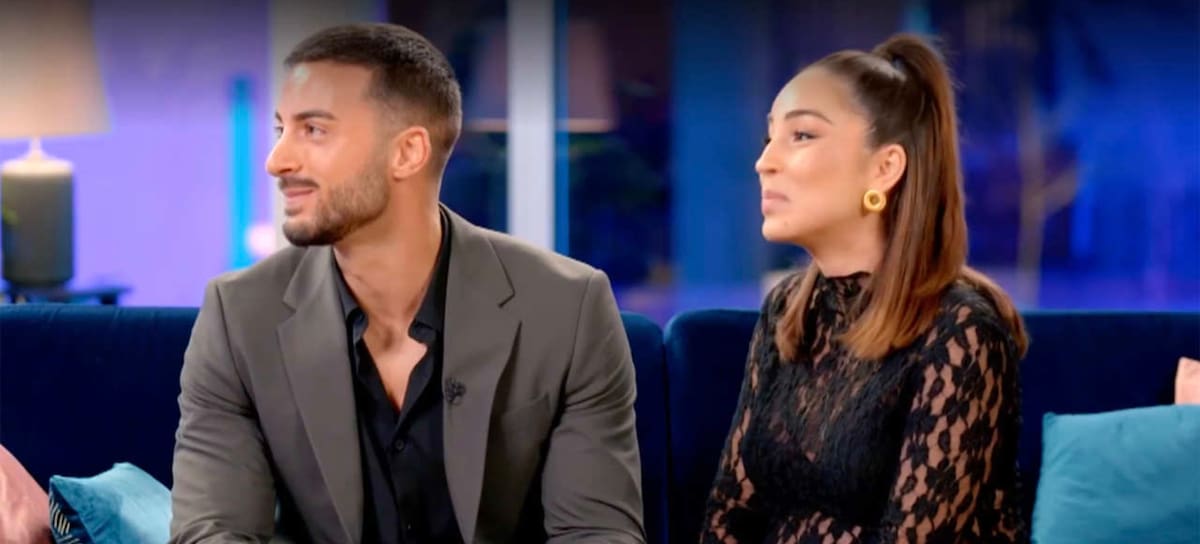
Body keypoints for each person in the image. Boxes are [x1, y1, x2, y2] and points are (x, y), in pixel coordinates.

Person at [170, 23, 644, 544]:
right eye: (282, 129)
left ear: (407, 152)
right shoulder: (238, 316)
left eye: (314, 130)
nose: (277, 160)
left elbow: (595, 534)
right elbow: (213, 531)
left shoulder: (567, 308)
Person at [701, 33, 1029, 543]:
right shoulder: (788, 309)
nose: (765, 161)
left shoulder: (962, 331)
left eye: (801, 135)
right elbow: (731, 510)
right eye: (770, 137)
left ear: (884, 168)